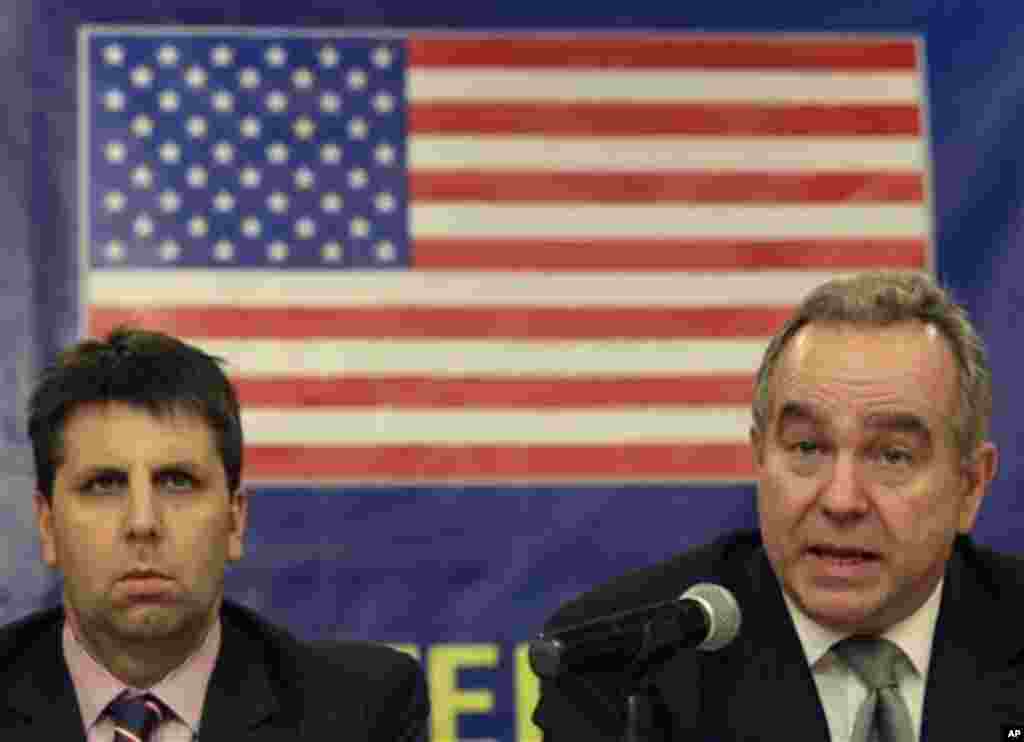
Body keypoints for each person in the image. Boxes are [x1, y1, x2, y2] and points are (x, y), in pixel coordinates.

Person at [532, 272, 1024, 741]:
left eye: (892, 456)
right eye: (807, 449)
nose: (841, 500)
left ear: (970, 486)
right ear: (760, 459)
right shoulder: (627, 669)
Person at [0, 327, 428, 740]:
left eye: (177, 482)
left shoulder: (362, 713)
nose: (143, 523)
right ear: (47, 524)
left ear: (235, 519)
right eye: (104, 485)